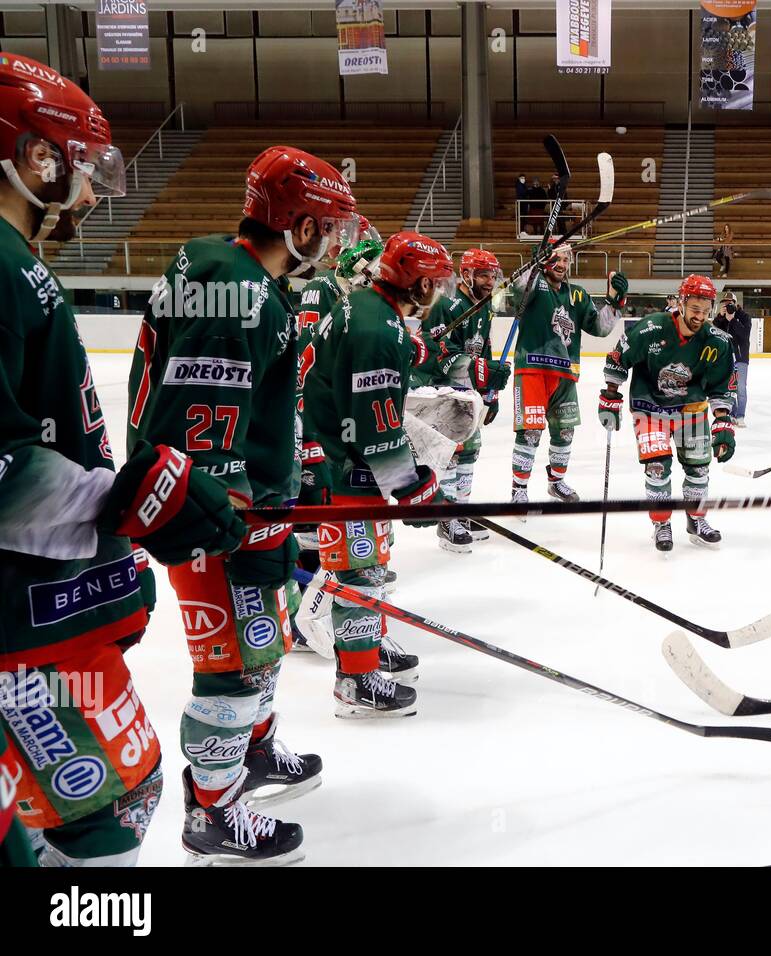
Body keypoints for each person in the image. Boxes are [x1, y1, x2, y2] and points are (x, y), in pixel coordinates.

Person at [0, 53, 242, 868]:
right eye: (81, 166)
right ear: (36, 155)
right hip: (20, 629)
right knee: (107, 808)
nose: (92, 192)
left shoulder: (16, 265)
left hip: (39, 614)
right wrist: (122, 500)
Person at [127, 144, 359, 864]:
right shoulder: (244, 292)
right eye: (328, 225)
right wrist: (228, 517)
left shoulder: (218, 263)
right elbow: (201, 422)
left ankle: (252, 753)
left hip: (246, 505)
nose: (333, 241)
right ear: (299, 223)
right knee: (231, 665)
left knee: (265, 645)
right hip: (217, 519)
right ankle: (213, 810)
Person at [299, 233, 468, 718]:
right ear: (415, 284)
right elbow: (374, 429)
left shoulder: (371, 310)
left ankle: (370, 645)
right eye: (435, 282)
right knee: (359, 573)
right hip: (341, 466)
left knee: (372, 563)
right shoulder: (378, 330)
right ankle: (356, 681)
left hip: (343, 456)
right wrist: (412, 487)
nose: (440, 292)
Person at [600, 274, 736, 551]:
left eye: (705, 310)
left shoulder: (718, 341)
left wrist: (723, 422)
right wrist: (609, 398)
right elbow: (618, 359)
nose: (700, 316)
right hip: (650, 407)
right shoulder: (651, 328)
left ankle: (696, 520)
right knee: (657, 467)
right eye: (695, 309)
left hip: (692, 409)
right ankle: (661, 522)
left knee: (699, 469)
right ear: (682, 303)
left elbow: (722, 385)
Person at [509, 242, 626, 507]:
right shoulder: (534, 283)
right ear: (544, 260)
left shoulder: (578, 295)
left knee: (565, 432)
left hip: (566, 373)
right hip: (532, 369)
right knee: (530, 433)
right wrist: (533, 263)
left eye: (566, 259)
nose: (562, 265)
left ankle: (556, 482)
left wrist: (615, 301)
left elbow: (600, 328)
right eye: (556, 259)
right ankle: (519, 489)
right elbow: (517, 289)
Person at [412, 248, 510, 551]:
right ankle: (448, 519)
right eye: (483, 274)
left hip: (467, 392)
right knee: (452, 453)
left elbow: (485, 348)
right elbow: (437, 354)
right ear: (466, 275)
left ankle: (462, 510)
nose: (490, 280)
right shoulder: (446, 305)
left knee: (470, 451)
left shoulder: (483, 307)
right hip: (440, 390)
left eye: (493, 274)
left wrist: (489, 392)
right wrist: (479, 370)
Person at [712, 291, 752, 426]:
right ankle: (732, 414)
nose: (727, 305)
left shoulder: (744, 317)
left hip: (741, 358)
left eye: (730, 303)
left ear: (736, 304)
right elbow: (715, 333)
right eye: (725, 303)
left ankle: (740, 415)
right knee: (729, 389)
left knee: (740, 387)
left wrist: (733, 320)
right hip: (726, 358)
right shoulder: (720, 319)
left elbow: (745, 335)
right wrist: (721, 318)